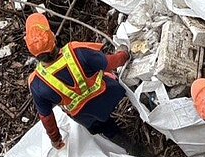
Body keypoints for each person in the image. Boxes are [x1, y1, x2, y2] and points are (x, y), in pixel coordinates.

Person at [24, 12, 130, 149]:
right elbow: (111, 63)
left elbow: (46, 117)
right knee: (115, 80)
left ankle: (129, 145)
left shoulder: (36, 83)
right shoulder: (76, 51)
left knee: (106, 128)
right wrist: (124, 54)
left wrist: (55, 139)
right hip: (110, 95)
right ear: (53, 38)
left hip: (86, 115)